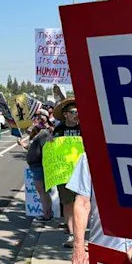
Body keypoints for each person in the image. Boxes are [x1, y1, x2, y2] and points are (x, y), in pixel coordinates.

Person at [52, 98, 80, 242]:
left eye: (78, 112)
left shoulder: (84, 128)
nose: (76, 114)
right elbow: (54, 151)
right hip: (64, 173)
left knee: (80, 202)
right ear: (65, 114)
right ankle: (72, 233)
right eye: (73, 112)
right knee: (67, 203)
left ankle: (79, 232)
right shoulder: (59, 130)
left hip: (82, 173)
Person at [25, 109, 53, 220]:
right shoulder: (38, 131)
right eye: (36, 116)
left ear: (46, 117)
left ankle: (47, 214)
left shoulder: (45, 132)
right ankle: (47, 213)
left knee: (42, 190)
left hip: (40, 165)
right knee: (42, 191)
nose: (37, 118)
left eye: (40, 116)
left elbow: (44, 149)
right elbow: (31, 147)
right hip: (36, 164)